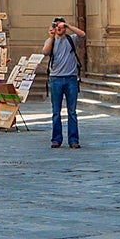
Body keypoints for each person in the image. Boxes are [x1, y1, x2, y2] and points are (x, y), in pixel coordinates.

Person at [44, 17, 85, 148]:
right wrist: (51, 36)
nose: (59, 28)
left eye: (60, 26)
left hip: (71, 79)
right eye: (56, 26)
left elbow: (82, 34)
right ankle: (56, 139)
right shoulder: (51, 41)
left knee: (72, 111)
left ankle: (73, 140)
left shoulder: (71, 39)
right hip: (56, 79)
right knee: (56, 111)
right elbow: (45, 51)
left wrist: (68, 25)